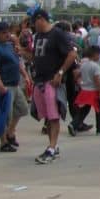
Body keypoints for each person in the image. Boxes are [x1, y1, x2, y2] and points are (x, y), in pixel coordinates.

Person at [31, 9, 76, 165]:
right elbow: (37, 56)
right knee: (47, 117)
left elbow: (72, 54)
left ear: (41, 19)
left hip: (51, 81)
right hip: (39, 80)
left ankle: (51, 148)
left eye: (34, 22)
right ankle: (53, 146)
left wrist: (60, 72)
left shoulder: (57, 34)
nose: (34, 26)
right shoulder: (38, 36)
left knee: (53, 115)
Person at [0, 22, 30, 153]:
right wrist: (0, 85)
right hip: (5, 85)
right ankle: (3, 142)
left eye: (8, 32)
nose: (7, 35)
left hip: (15, 83)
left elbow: (17, 62)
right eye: (4, 33)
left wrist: (25, 75)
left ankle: (10, 132)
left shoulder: (10, 46)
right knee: (5, 115)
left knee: (22, 109)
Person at [74, 45, 100, 135]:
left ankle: (74, 124)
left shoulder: (83, 64)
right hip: (93, 91)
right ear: (95, 54)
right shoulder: (96, 66)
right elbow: (97, 80)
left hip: (84, 90)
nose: (99, 56)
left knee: (84, 109)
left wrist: (79, 82)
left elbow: (77, 75)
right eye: (99, 55)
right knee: (99, 109)